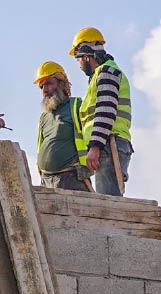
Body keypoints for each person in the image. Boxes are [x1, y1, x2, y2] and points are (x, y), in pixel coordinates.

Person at [69, 26, 133, 195]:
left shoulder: (106, 72)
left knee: (109, 205)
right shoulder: (101, 74)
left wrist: (95, 146)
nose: (79, 65)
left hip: (109, 145)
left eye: (78, 60)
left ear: (86, 56)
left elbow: (106, 111)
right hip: (108, 144)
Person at [33, 61, 88, 190]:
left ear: (61, 83)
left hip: (71, 178)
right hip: (45, 180)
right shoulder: (44, 116)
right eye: (41, 87)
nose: (45, 90)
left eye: (48, 83)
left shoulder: (76, 105)